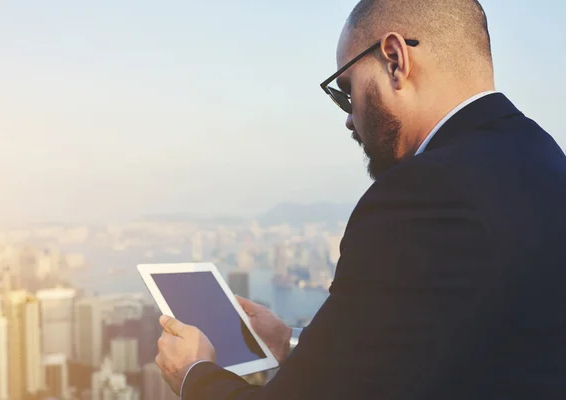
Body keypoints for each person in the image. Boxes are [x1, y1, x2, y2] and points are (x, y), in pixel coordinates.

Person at [154, 0, 566, 398]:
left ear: (394, 59)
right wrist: (291, 345)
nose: (349, 118)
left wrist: (194, 375)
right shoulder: (545, 158)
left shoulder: (422, 194)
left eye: (346, 91)